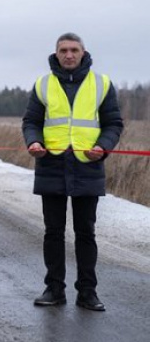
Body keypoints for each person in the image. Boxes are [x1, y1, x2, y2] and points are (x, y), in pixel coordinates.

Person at [22, 33, 123, 311]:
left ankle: (87, 292)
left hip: (87, 166)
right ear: (56, 53)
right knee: (53, 232)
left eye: (74, 50)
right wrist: (33, 141)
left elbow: (114, 124)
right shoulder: (43, 84)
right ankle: (54, 289)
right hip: (50, 164)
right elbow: (31, 121)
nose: (69, 55)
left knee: (85, 232)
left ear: (83, 52)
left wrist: (103, 147)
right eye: (64, 50)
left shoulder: (101, 84)